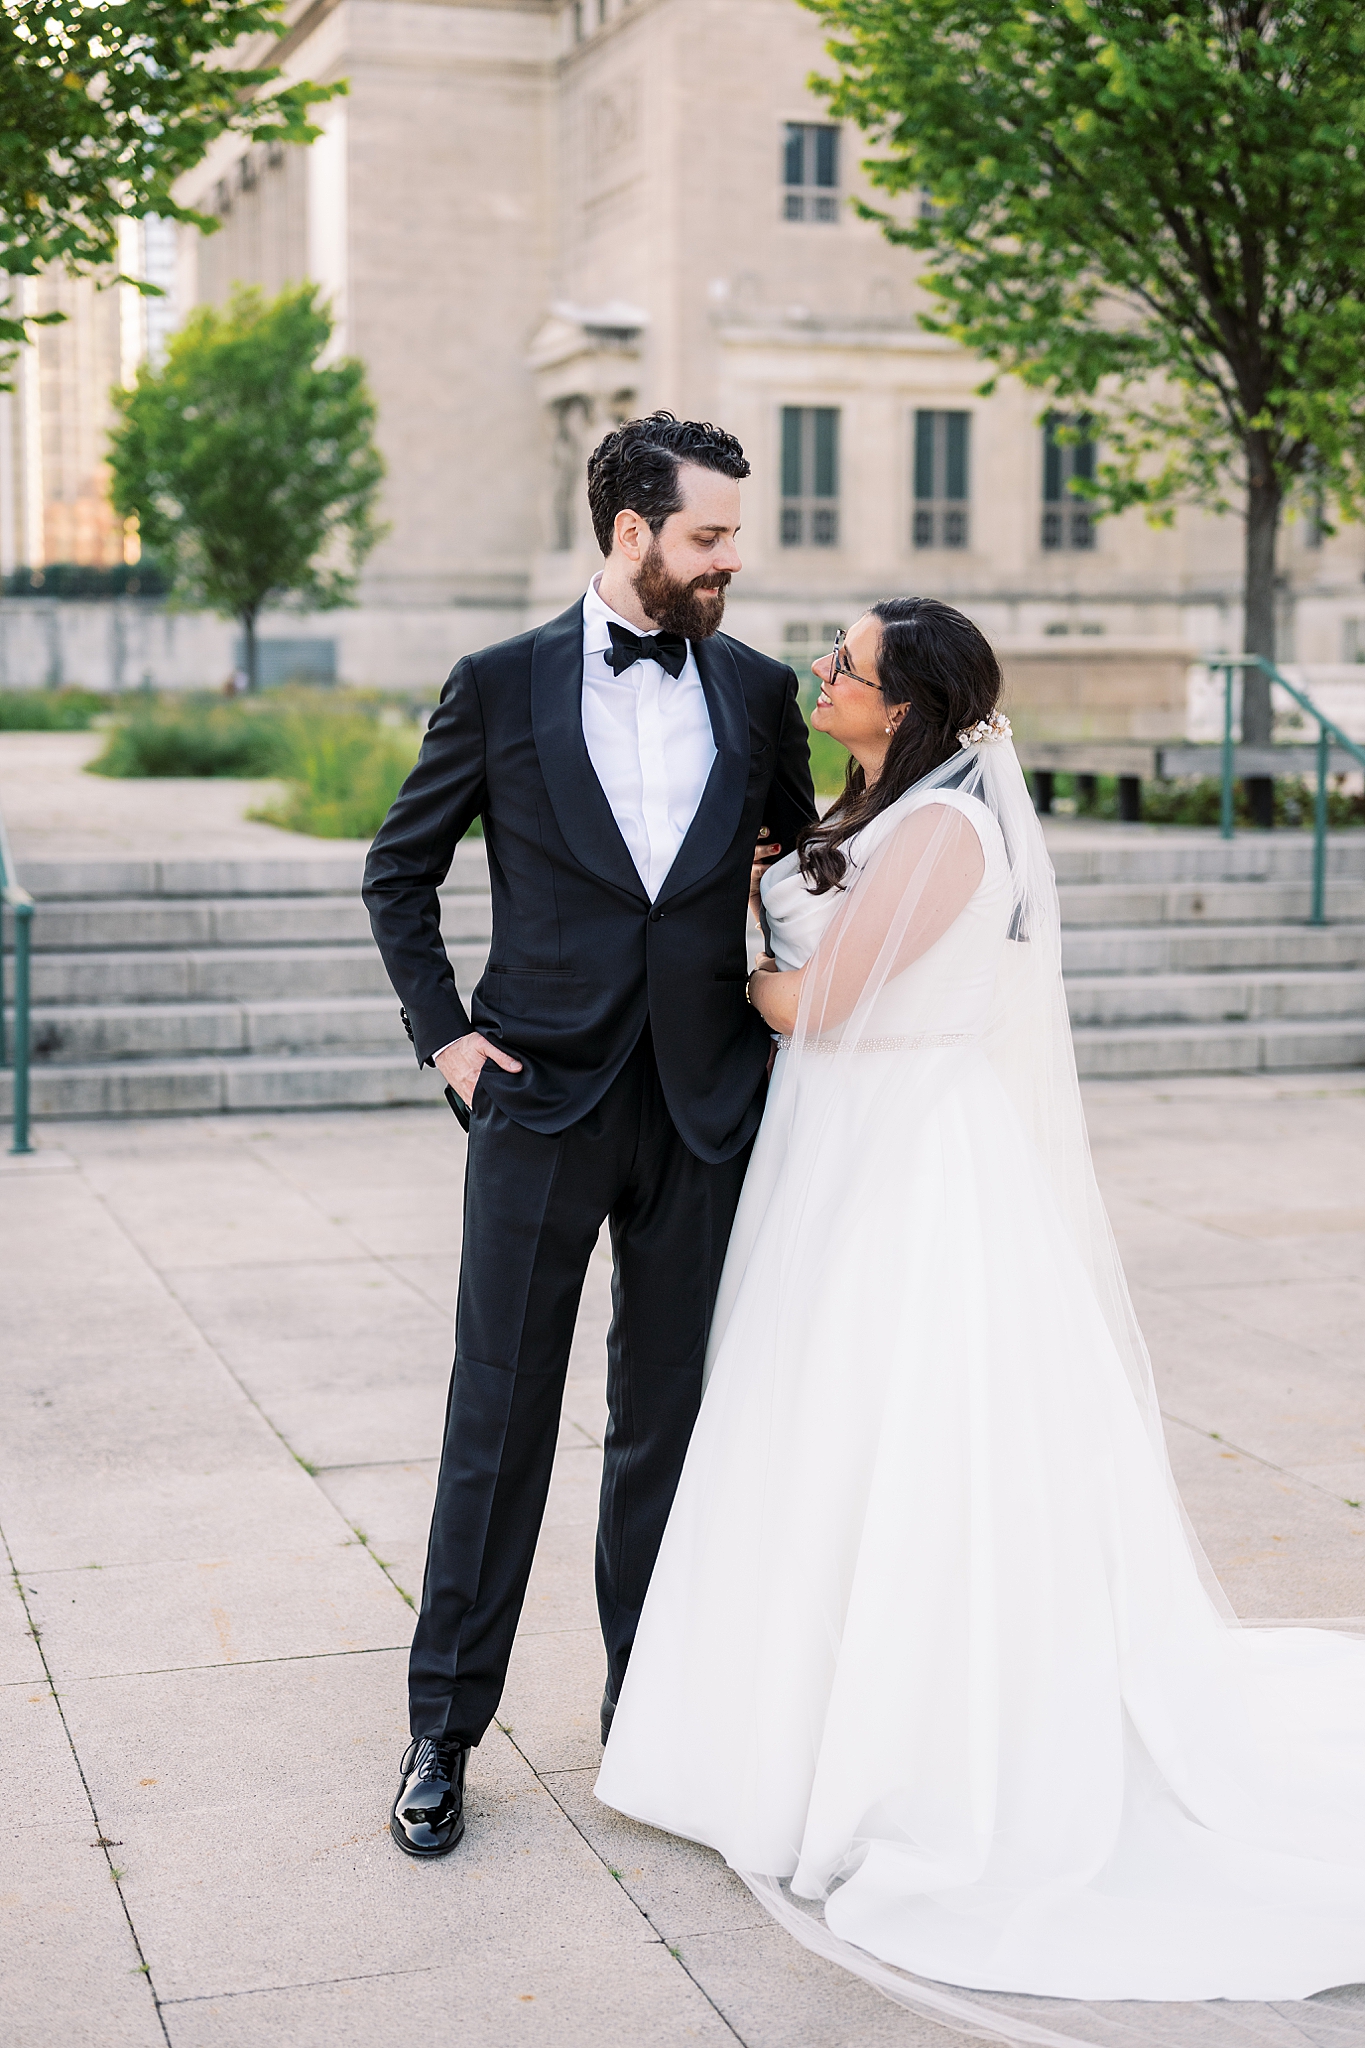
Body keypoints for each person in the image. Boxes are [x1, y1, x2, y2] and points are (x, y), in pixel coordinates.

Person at [596, 598, 1365, 2046]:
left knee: (901, 1432)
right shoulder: (882, 808)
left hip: (905, 1158)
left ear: (908, 705)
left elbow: (823, 1005)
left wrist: (722, 974)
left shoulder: (948, 832)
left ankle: (907, 1748)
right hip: (843, 1150)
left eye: (847, 666)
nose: (821, 672)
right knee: (812, 1431)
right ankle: (783, 1724)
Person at [363, 411, 816, 1859]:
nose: (731, 557)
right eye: (710, 535)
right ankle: (443, 1730)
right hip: (537, 1099)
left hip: (702, 1108)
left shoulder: (755, 690)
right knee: (494, 1419)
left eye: (732, 534)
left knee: (666, 1427)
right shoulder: (497, 686)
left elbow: (804, 868)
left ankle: (652, 1716)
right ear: (631, 533)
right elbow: (397, 872)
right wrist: (449, 1041)